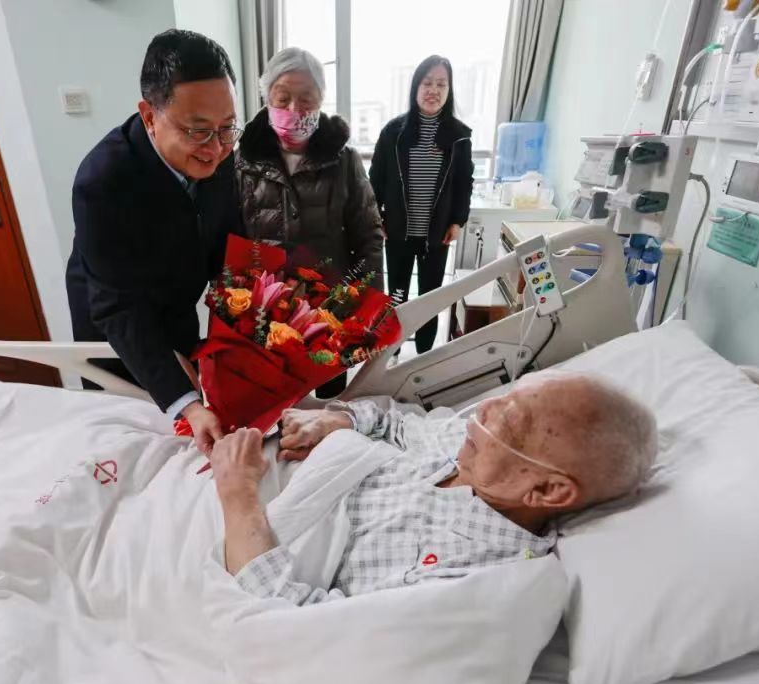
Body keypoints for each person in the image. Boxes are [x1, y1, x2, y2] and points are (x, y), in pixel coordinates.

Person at [209, 372, 658, 605]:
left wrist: (237, 491)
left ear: (546, 491)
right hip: (265, 460)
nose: (484, 409)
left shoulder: (461, 575)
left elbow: (284, 615)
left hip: (233, 523)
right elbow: (397, 426)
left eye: (510, 419)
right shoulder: (475, 451)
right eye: (506, 396)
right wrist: (337, 420)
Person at [67, 30, 244, 455]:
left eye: (227, 127)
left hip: (177, 304)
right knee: (134, 444)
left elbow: (229, 245)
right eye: (198, 131)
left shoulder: (220, 152)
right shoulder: (103, 181)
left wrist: (243, 337)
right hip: (117, 330)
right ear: (149, 115)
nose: (216, 148)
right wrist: (184, 401)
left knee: (192, 441)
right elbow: (118, 307)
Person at [236, 47, 384, 398]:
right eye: (282, 97)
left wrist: (365, 307)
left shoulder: (344, 160)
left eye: (306, 98)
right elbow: (230, 238)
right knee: (276, 402)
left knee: (328, 401)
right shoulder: (243, 162)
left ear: (321, 99)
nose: (294, 109)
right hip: (266, 312)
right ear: (266, 97)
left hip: (329, 309)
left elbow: (369, 235)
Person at [369, 56, 474, 356]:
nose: (434, 90)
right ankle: (393, 353)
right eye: (427, 83)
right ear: (416, 87)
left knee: (430, 298)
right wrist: (376, 217)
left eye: (441, 84)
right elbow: (375, 179)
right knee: (397, 296)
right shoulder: (393, 132)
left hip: (437, 233)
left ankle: (424, 354)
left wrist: (458, 221)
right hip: (398, 230)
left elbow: (464, 182)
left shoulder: (460, 136)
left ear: (449, 90)